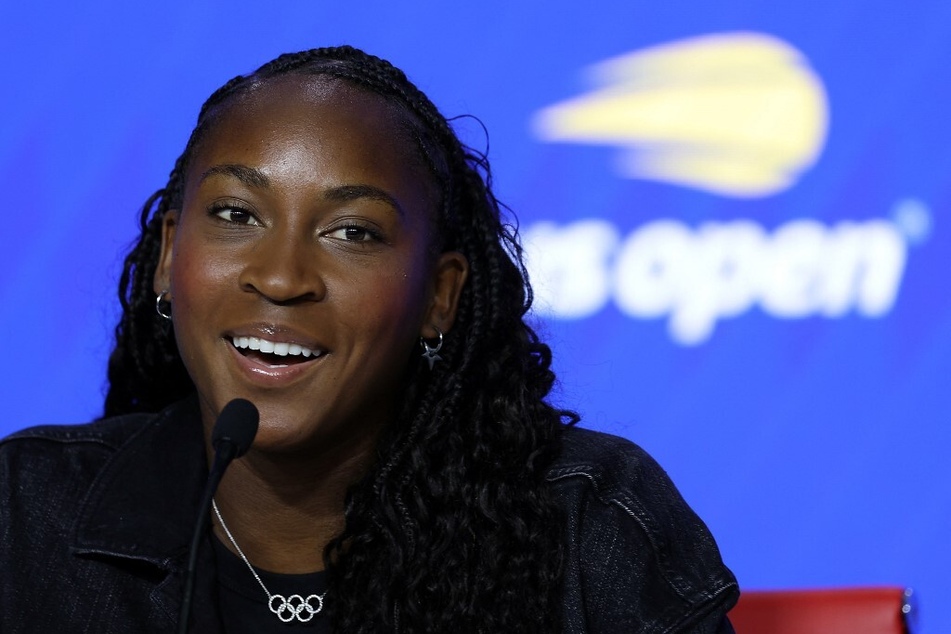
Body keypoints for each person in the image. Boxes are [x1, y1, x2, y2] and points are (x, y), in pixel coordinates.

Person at [0, 46, 738, 632]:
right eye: (235, 215)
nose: (282, 277)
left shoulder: (587, 532)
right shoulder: (23, 519)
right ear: (169, 255)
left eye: (351, 232)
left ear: (439, 298)